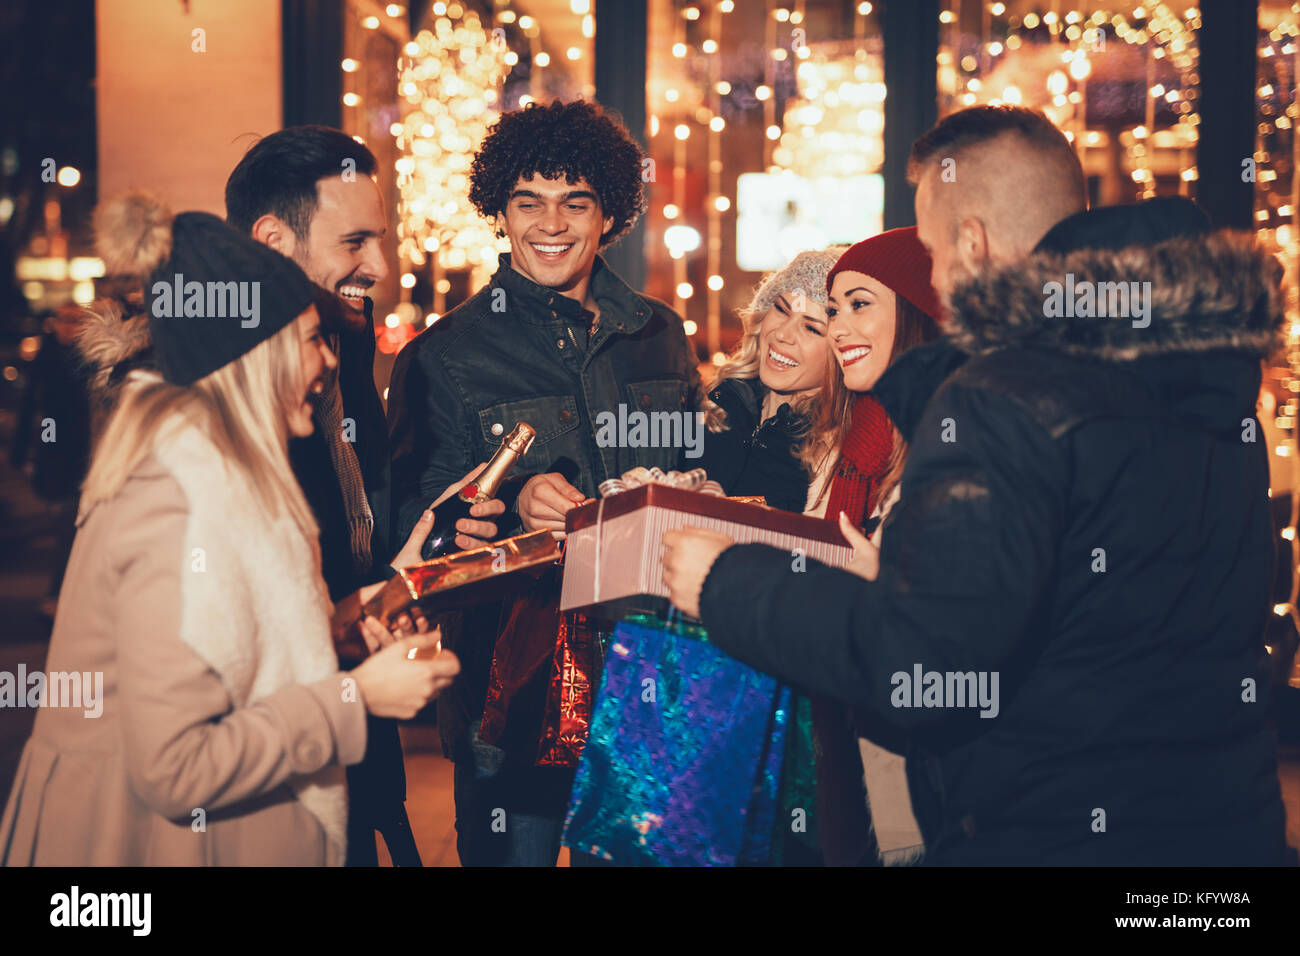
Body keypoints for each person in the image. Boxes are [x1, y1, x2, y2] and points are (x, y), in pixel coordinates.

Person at [663, 105, 1289, 865]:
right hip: (1223, 828)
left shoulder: (1004, 391)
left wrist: (725, 578)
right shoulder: (1210, 373)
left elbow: (926, 666)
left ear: (970, 242)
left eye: (930, 250)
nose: (934, 275)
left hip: (1053, 831)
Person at [0, 210, 457, 866]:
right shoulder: (179, 500)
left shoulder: (223, 473)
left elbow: (218, 654)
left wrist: (338, 628)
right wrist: (355, 699)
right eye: (311, 340)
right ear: (254, 358)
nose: (329, 362)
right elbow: (176, 767)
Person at [388, 98, 702, 866]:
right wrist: (508, 512)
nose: (551, 222)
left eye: (576, 201)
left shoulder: (659, 334)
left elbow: (698, 482)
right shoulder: (444, 354)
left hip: (647, 681)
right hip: (513, 697)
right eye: (528, 201)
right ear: (499, 211)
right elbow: (413, 537)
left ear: (610, 216)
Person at [224, 126, 503, 865]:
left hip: (353, 740)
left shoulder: (344, 341)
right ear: (272, 238)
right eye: (354, 242)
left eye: (380, 239)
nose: (379, 266)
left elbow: (353, 547)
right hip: (267, 769)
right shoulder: (211, 405)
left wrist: (411, 557)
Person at [793, 229, 943, 867]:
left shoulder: (951, 446)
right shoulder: (840, 444)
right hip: (836, 744)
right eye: (833, 310)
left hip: (919, 768)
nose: (838, 327)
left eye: (860, 304)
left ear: (916, 312)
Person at [697, 248, 838, 513]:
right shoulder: (720, 400)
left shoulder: (831, 448)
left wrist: (698, 506)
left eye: (811, 328)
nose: (782, 334)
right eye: (782, 310)